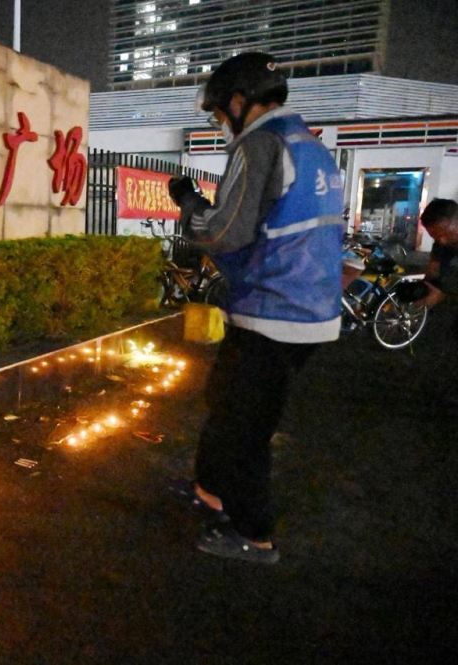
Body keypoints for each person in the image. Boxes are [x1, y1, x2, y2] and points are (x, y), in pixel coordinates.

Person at [166, 52, 344, 564]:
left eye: (221, 114)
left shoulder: (261, 144)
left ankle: (254, 533)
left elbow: (226, 232)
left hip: (274, 311)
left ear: (240, 102)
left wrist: (188, 203)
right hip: (305, 310)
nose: (221, 125)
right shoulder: (310, 147)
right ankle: (208, 489)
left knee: (245, 428)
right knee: (225, 404)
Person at [413, 198, 458, 339]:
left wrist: (442, 297)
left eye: (444, 234)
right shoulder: (441, 243)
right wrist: (423, 289)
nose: (441, 241)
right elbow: (433, 269)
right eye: (435, 237)